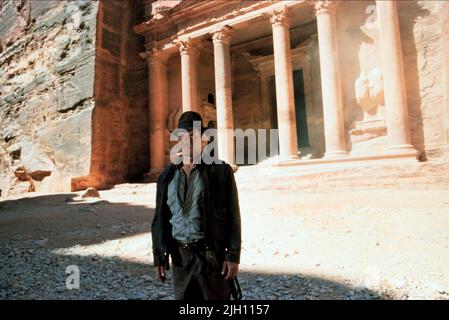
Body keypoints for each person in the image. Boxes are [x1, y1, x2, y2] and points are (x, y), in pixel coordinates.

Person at [151, 111, 242, 300]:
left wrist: (233, 256)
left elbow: (234, 216)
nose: (188, 141)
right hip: (180, 258)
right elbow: (159, 218)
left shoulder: (221, 172)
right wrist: (159, 256)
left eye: (193, 136)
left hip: (211, 258)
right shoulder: (166, 177)